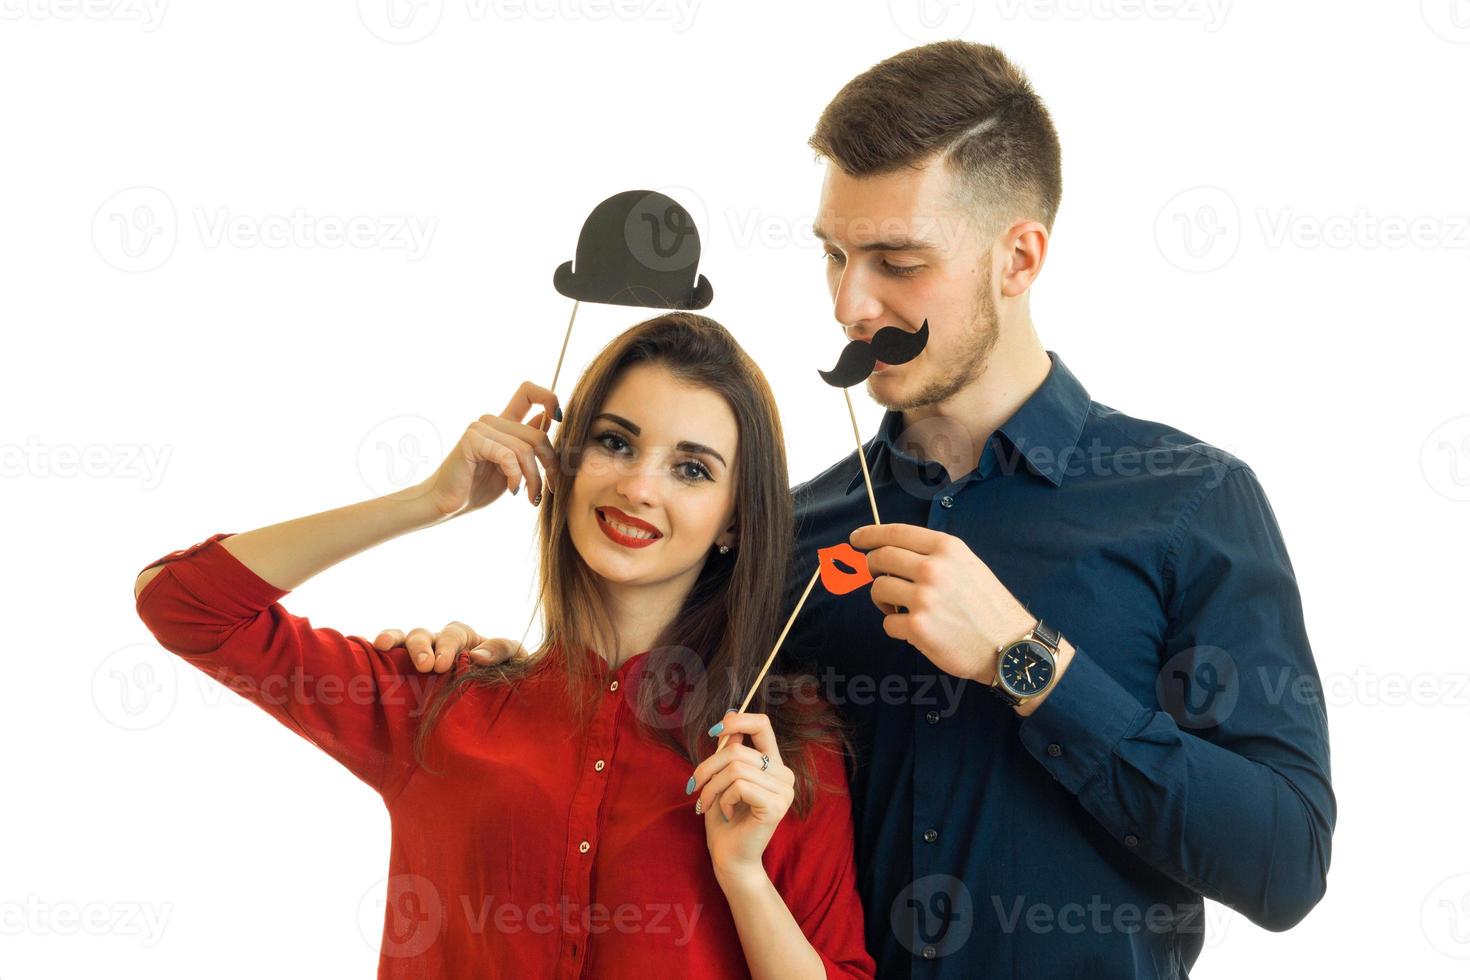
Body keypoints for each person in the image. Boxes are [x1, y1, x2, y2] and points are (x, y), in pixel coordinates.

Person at [388, 42, 1336, 977]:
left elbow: (1286, 866)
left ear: (1019, 257)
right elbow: (638, 732)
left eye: (896, 259)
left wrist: (1028, 661)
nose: (850, 300)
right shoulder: (787, 537)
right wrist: (501, 679)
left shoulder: (1188, 501)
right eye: (835, 254)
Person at [132, 312, 876, 979]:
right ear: (565, 463)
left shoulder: (774, 752)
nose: (640, 487)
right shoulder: (440, 700)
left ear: (735, 520)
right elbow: (183, 604)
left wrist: (743, 876)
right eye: (615, 443)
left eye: (690, 468)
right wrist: (429, 500)